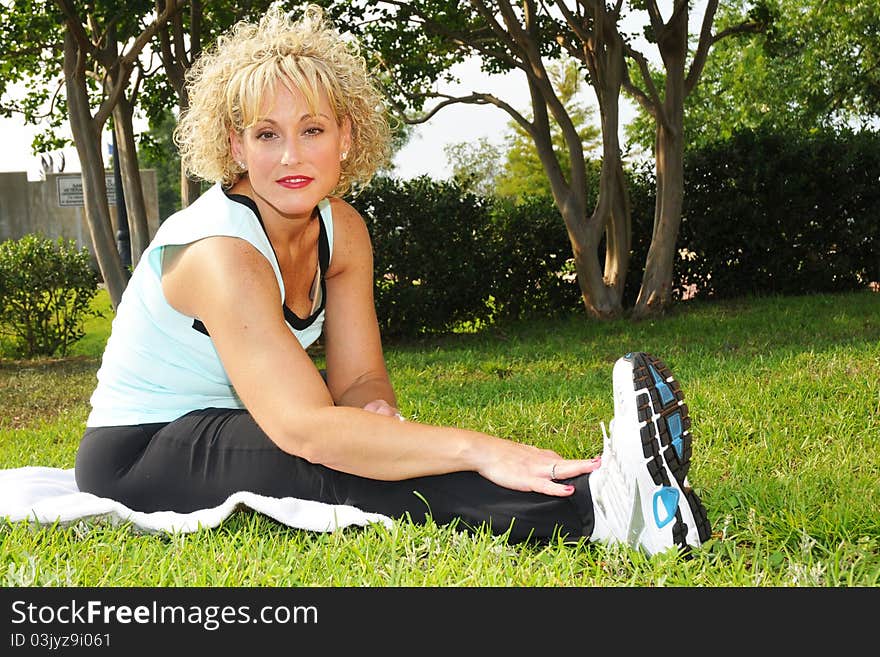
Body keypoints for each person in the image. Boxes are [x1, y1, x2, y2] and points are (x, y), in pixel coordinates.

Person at [74, 5, 711, 555]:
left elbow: (356, 381)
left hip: (233, 418)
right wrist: (478, 447)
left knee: (360, 446)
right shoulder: (222, 252)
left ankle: (616, 498)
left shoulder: (342, 230)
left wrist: (373, 416)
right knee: (322, 463)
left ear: (346, 137)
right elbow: (306, 428)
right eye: (267, 135)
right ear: (237, 148)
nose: (291, 156)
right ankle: (599, 508)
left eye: (313, 130)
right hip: (142, 451)